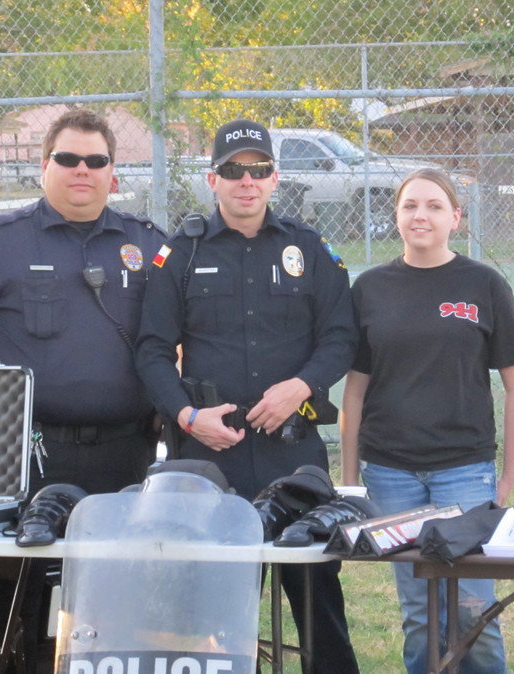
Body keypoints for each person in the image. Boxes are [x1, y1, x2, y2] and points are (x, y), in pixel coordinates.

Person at [0, 107, 166, 663]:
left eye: (96, 161)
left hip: (126, 453)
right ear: (44, 167)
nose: (82, 170)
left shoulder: (148, 245)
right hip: (28, 455)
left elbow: (177, 331)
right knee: (6, 597)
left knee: (116, 599)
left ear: (112, 173)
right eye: (67, 158)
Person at [135, 118, 361, 673]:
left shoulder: (308, 249)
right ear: (213, 179)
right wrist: (187, 417)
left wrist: (301, 386)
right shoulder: (180, 254)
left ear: (274, 178)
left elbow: (341, 337)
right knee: (209, 610)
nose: (246, 181)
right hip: (212, 458)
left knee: (316, 600)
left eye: (258, 170)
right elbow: (152, 352)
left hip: (294, 456)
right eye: (233, 170)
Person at [339, 168, 514, 674]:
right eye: (409, 206)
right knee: (422, 616)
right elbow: (354, 390)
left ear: (456, 217)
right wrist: (351, 482)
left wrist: (507, 477)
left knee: (475, 615)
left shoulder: (484, 284)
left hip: (464, 473)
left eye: (433, 206)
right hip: (391, 473)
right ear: (396, 215)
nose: (420, 215)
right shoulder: (371, 288)